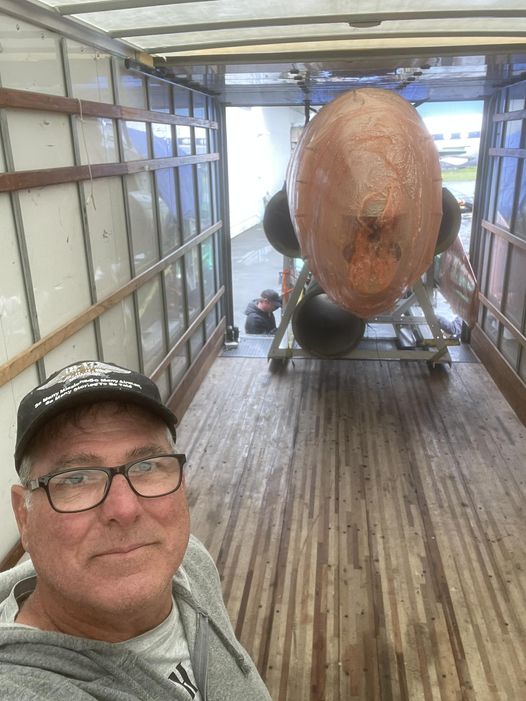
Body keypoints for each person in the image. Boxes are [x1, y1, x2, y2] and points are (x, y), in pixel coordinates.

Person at [0, 360, 271, 700]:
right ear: (24, 517)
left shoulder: (190, 562)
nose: (124, 510)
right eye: (76, 478)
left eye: (146, 466)